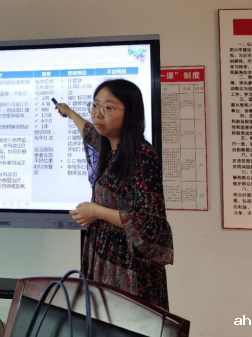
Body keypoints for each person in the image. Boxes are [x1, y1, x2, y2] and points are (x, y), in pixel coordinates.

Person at [55, 79, 174, 310]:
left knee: (127, 321)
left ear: (130, 113)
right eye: (95, 105)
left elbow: (149, 223)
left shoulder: (143, 157)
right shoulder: (109, 147)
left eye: (108, 108)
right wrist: (69, 112)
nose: (97, 114)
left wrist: (97, 212)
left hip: (129, 265)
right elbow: (88, 131)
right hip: (103, 256)